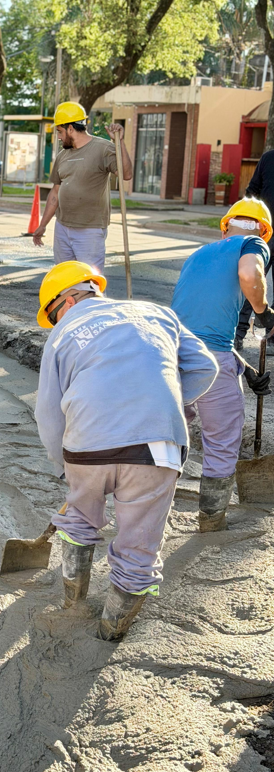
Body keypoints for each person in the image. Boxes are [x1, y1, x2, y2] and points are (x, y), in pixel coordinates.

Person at [35, 261, 217, 640]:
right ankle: (111, 632)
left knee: (79, 517)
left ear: (69, 300)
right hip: (157, 447)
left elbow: (49, 412)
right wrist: (163, 399)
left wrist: (63, 465)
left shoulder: (64, 333)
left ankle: (73, 601)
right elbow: (205, 367)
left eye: (53, 315)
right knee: (139, 544)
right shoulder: (159, 314)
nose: (54, 323)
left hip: (86, 448)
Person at [171, 197, 272, 532]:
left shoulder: (198, 255)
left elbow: (200, 328)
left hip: (171, 354)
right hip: (211, 359)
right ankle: (211, 521)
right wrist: (264, 311)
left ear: (225, 227)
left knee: (170, 433)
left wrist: (244, 367)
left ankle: (154, 508)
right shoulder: (253, 244)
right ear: (262, 231)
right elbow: (249, 273)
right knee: (223, 438)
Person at [31, 102, 133, 273]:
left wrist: (119, 143)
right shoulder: (63, 155)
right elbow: (55, 193)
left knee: (88, 280)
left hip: (90, 230)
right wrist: (43, 225)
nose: (59, 137)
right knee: (65, 277)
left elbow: (126, 174)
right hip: (62, 227)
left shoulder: (103, 149)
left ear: (70, 128)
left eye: (60, 132)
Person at [234, 156, 274, 351]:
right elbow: (252, 192)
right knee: (251, 282)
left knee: (251, 282)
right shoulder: (269, 158)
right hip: (265, 233)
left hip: (264, 233)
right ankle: (237, 334)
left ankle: (272, 337)